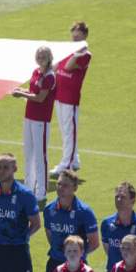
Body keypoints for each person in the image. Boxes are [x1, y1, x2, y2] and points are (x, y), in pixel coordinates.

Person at [11, 46, 56, 201]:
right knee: (28, 153)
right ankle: (28, 187)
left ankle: (41, 191)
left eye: (43, 55)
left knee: (40, 155)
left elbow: (40, 98)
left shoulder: (50, 76)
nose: (40, 58)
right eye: (38, 55)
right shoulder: (36, 72)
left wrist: (21, 94)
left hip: (41, 120)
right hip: (29, 117)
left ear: (49, 57)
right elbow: (32, 92)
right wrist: (22, 90)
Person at [52, 21, 91, 176]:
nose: (75, 39)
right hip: (59, 96)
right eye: (73, 36)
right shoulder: (66, 50)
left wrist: (77, 51)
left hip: (70, 98)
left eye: (78, 37)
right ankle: (74, 160)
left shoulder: (85, 55)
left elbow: (68, 66)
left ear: (85, 37)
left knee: (69, 131)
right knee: (64, 130)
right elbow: (54, 68)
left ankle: (65, 164)